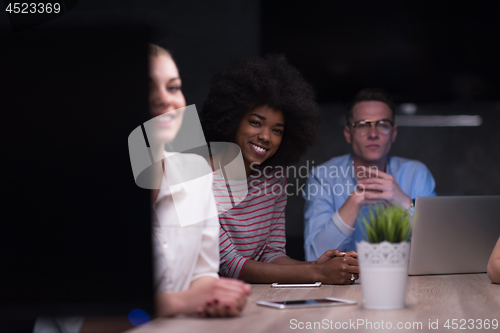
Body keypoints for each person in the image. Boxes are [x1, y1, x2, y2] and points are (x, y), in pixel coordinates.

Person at [201, 55, 359, 285]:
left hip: (254, 300)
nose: (266, 137)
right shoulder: (198, 179)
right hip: (207, 303)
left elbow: (270, 254)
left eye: (277, 130)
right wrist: (318, 274)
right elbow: (228, 265)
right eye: (256, 122)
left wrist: (319, 266)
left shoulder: (274, 176)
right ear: (232, 119)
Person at [148, 44, 250, 318]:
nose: (163, 99)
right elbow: (76, 318)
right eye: (146, 87)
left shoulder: (197, 173)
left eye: (172, 87)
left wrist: (215, 296)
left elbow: (203, 272)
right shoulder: (78, 186)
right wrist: (178, 304)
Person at [303, 88, 436, 260]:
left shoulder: (417, 173)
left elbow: (437, 250)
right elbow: (314, 257)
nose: (373, 134)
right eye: (362, 125)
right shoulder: (322, 176)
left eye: (383, 125)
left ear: (393, 133)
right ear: (348, 134)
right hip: (342, 285)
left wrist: (405, 203)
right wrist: (354, 202)